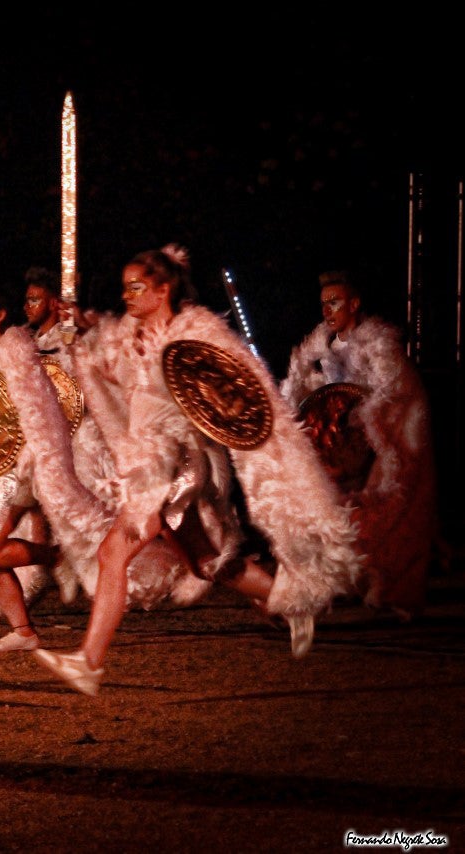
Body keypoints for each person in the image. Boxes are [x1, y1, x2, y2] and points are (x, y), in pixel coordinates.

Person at [33, 245, 362, 695]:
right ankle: (287, 604)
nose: (127, 296)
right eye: (124, 287)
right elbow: (109, 365)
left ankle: (88, 662)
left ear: (163, 288)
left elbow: (242, 391)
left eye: (137, 287)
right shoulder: (132, 334)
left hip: (175, 467)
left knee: (113, 554)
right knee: (206, 563)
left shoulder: (197, 331)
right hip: (152, 464)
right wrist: (81, 331)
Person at [0, 280, 173, 653]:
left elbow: (37, 413)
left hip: (18, 470)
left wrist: (33, 460)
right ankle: (24, 631)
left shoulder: (15, 350)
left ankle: (56, 558)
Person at [281, 270, 439, 618]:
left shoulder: (377, 345)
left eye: (335, 302)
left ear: (354, 304)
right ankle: (327, 587)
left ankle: (396, 591)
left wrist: (373, 428)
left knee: (392, 512)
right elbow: (309, 391)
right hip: (344, 446)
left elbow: (397, 396)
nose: (327, 310)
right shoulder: (319, 347)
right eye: (324, 304)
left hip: (387, 443)